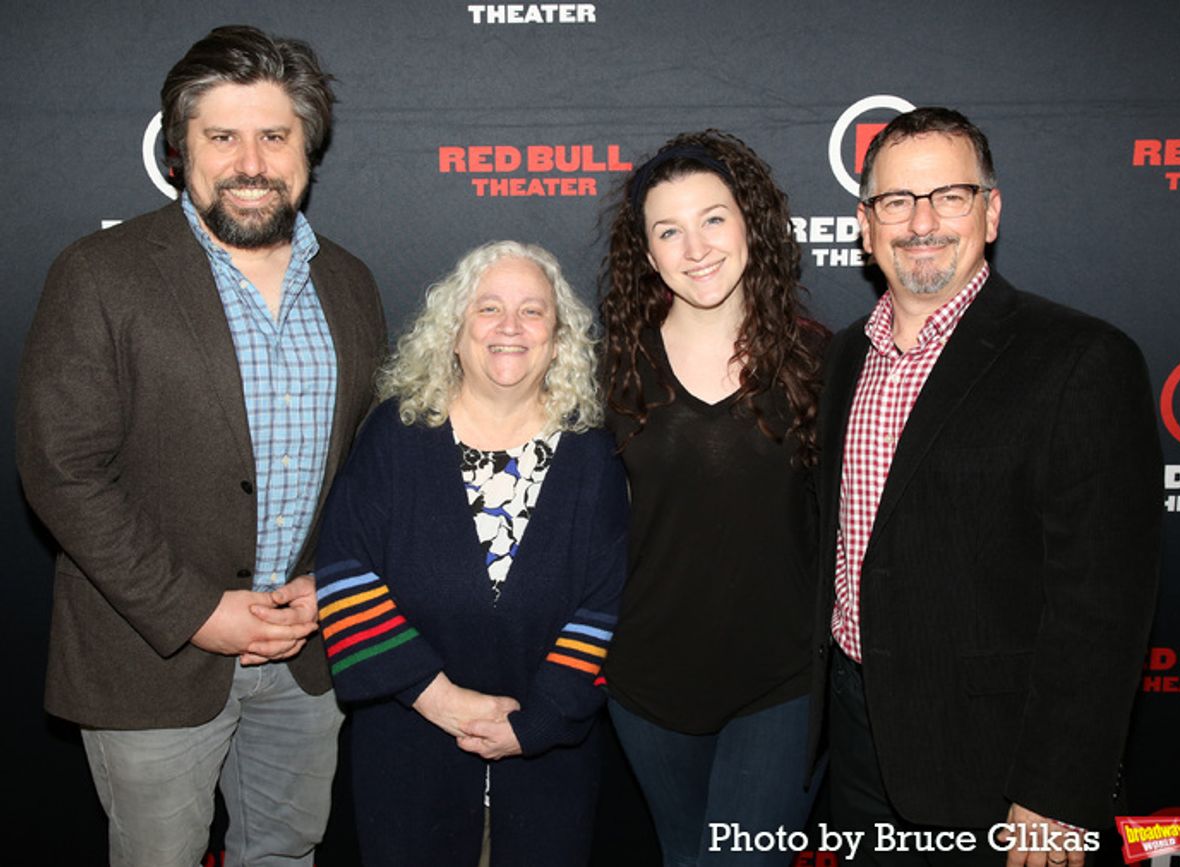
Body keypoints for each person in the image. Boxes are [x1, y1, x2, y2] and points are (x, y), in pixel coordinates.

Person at [15, 25, 387, 867]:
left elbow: (373, 464)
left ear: (306, 152)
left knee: (287, 853)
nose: (250, 160)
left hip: (308, 652)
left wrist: (331, 582)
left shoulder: (350, 283)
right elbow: (61, 468)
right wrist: (198, 611)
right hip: (151, 657)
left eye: (274, 135)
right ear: (181, 151)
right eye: (222, 136)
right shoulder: (100, 272)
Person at [812, 107, 1161, 866]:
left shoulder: (1080, 359)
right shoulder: (840, 359)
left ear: (992, 211)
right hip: (857, 734)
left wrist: (1059, 791)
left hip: (999, 760)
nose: (922, 222)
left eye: (951, 196)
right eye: (896, 202)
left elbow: (1103, 603)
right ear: (865, 226)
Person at [314, 240, 628, 866]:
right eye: (488, 309)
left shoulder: (593, 452)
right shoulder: (396, 436)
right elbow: (345, 574)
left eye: (533, 312)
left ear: (559, 338)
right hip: (407, 746)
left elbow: (608, 606)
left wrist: (536, 724)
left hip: (550, 761)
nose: (510, 327)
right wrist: (437, 697)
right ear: (454, 333)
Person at [599, 130, 827, 866]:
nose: (694, 247)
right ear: (647, 251)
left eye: (713, 218)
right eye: (668, 230)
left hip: (783, 684)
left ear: (750, 222)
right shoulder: (612, 371)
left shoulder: (819, 360)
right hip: (649, 684)